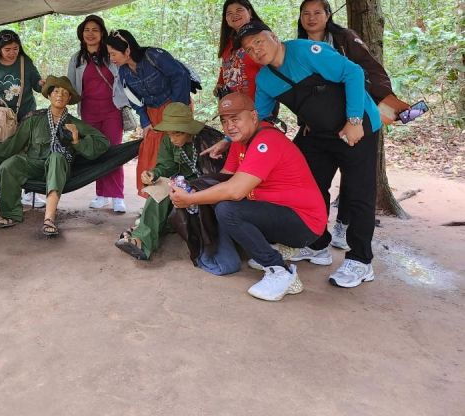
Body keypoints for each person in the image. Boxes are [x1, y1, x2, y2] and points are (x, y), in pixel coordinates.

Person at [238, 20, 382, 288]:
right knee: (310, 188)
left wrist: (353, 121)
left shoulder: (306, 51)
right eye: (249, 48)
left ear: (274, 36)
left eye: (259, 41)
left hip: (356, 127)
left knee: (359, 193)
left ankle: (361, 260)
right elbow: (260, 118)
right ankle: (317, 244)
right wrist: (229, 139)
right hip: (316, 134)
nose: (256, 50)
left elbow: (353, 73)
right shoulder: (266, 78)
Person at [168, 94, 326, 301]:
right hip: (279, 213)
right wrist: (194, 189)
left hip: (304, 223)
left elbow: (235, 190)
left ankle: (280, 272)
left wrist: (190, 200)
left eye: (235, 119)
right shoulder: (240, 142)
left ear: (253, 116)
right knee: (221, 201)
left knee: (228, 209)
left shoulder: (266, 141)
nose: (229, 126)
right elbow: (224, 180)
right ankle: (274, 250)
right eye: (225, 121)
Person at [297, 0, 410, 249]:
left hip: (354, 117)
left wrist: (381, 104)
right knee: (314, 179)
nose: (311, 18)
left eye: (317, 12)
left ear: (328, 15)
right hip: (320, 123)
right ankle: (316, 237)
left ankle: (343, 227)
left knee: (354, 178)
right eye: (306, 13)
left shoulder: (345, 38)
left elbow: (370, 69)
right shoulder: (298, 46)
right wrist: (304, 119)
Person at [0, 76, 110, 237]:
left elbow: (103, 142)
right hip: (34, 165)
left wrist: (77, 141)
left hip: (59, 168)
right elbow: (13, 144)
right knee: (9, 165)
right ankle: (10, 214)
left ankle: (49, 219)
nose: (60, 95)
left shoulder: (74, 123)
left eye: (64, 93)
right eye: (56, 91)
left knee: (56, 157)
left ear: (69, 99)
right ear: (49, 95)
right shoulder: (35, 119)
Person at [106, 28, 199, 198]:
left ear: (127, 50)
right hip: (152, 115)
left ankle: (178, 198)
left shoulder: (155, 56)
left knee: (174, 151)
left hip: (174, 107)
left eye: (113, 54)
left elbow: (180, 76)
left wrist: (177, 113)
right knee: (150, 155)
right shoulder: (124, 71)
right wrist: (145, 121)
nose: (111, 59)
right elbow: (133, 98)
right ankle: (153, 200)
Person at [115, 103, 205, 260]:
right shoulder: (168, 140)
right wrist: (153, 174)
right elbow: (166, 166)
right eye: (169, 134)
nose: (172, 139)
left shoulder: (206, 140)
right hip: (177, 182)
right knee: (158, 190)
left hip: (201, 187)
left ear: (188, 130)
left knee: (175, 213)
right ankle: (141, 242)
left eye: (177, 134)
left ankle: (143, 228)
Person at [67, 15, 128, 213]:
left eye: (95, 30)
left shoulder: (111, 55)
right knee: (96, 152)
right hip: (88, 112)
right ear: (81, 34)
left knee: (113, 150)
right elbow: (69, 86)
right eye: (87, 30)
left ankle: (117, 196)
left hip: (112, 110)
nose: (91, 34)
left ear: (102, 33)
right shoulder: (76, 59)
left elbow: (124, 76)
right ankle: (101, 194)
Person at [0, 29, 45, 208]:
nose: (12, 53)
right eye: (7, 49)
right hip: (2, 118)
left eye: (15, 48)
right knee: (5, 153)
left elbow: (37, 83)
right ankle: (7, 192)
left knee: (29, 152)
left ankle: (30, 192)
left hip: (27, 115)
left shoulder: (25, 62)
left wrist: (44, 85)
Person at [215, 0, 264, 99]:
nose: (234, 15)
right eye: (229, 13)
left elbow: (270, 71)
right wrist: (220, 83)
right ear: (226, 19)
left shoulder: (261, 38)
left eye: (239, 10)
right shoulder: (228, 42)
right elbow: (225, 67)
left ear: (250, 13)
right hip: (233, 106)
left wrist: (262, 106)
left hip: (257, 106)